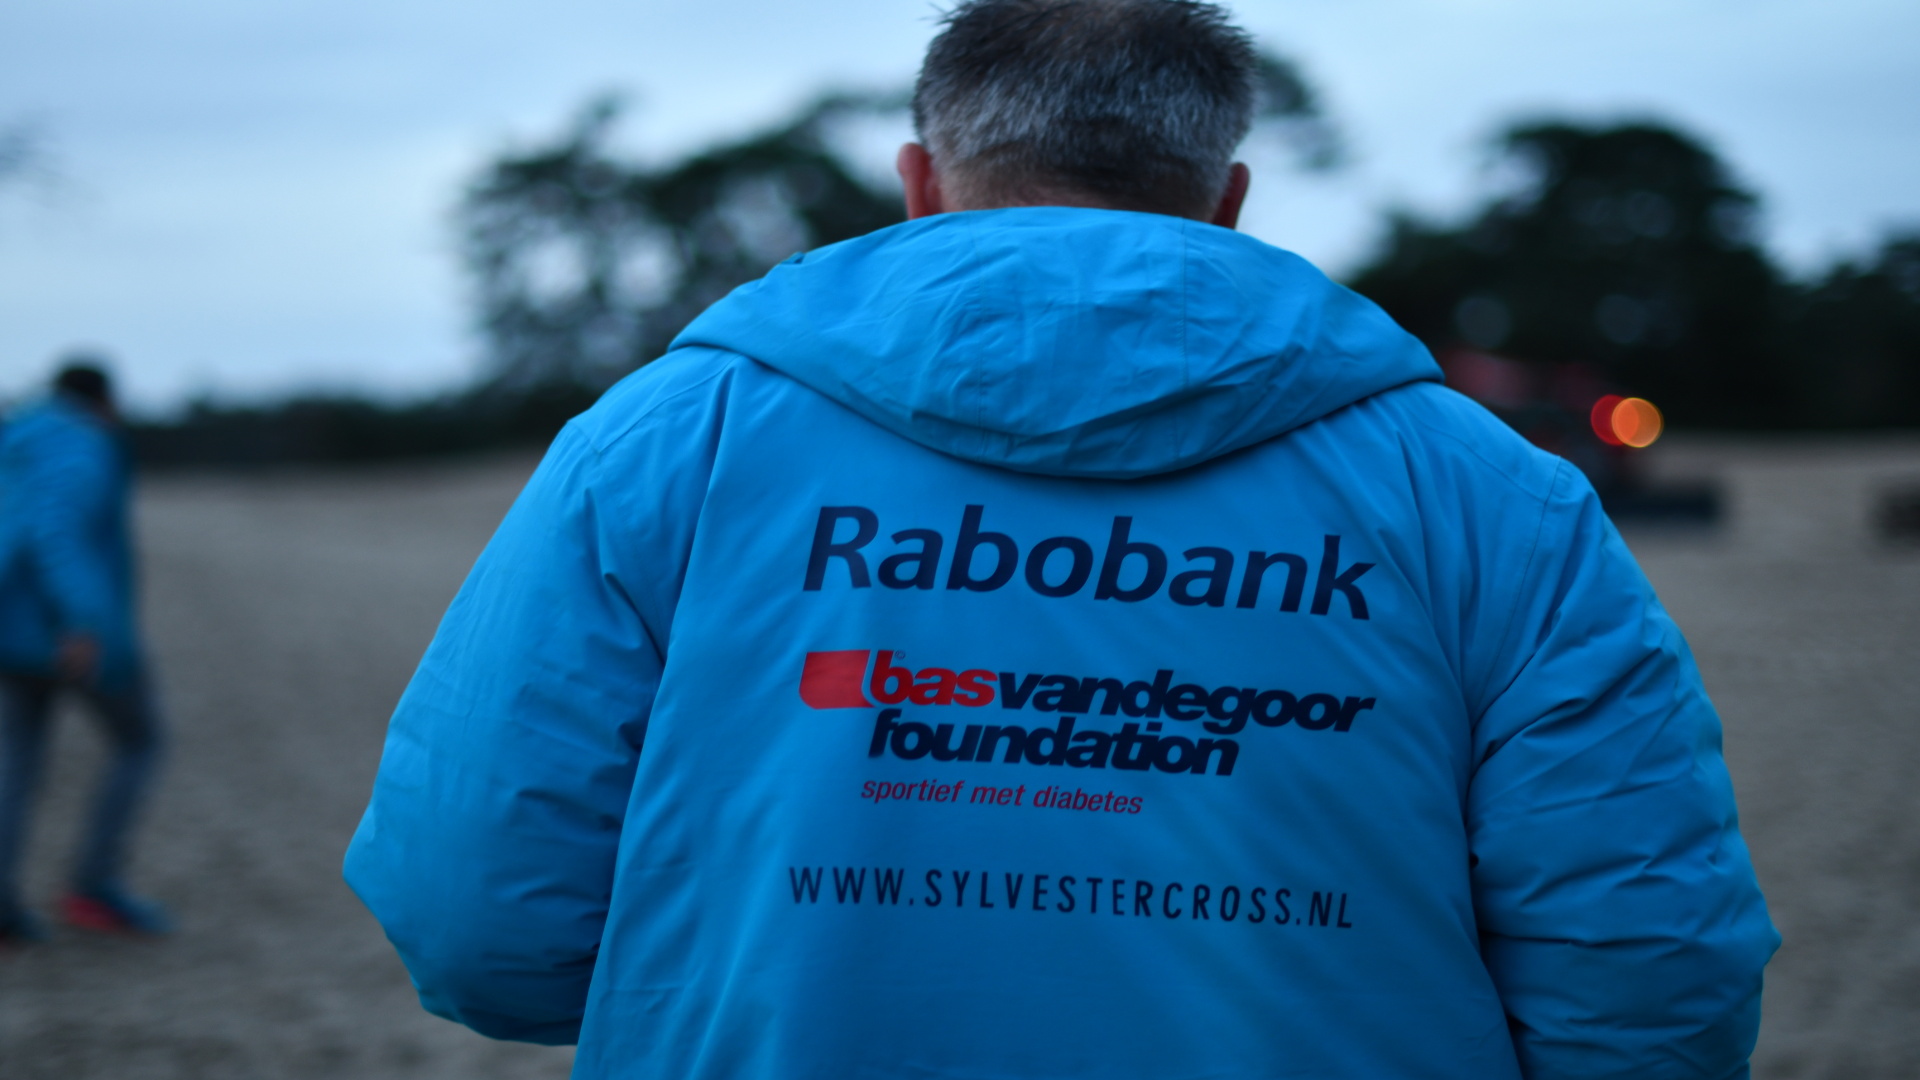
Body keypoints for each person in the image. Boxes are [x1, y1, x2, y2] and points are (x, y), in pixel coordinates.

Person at [347, 1, 1778, 1075]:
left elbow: (480, 919)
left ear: (921, 182)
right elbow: (1648, 978)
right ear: (1226, 204)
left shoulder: (664, 443)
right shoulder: (1490, 489)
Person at [0, 359, 170, 943]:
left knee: (20, 761)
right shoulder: (81, 444)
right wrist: (82, 620)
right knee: (141, 741)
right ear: (104, 401)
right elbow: (56, 530)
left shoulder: (18, 437)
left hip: (10, 629)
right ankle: (94, 886)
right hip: (63, 634)